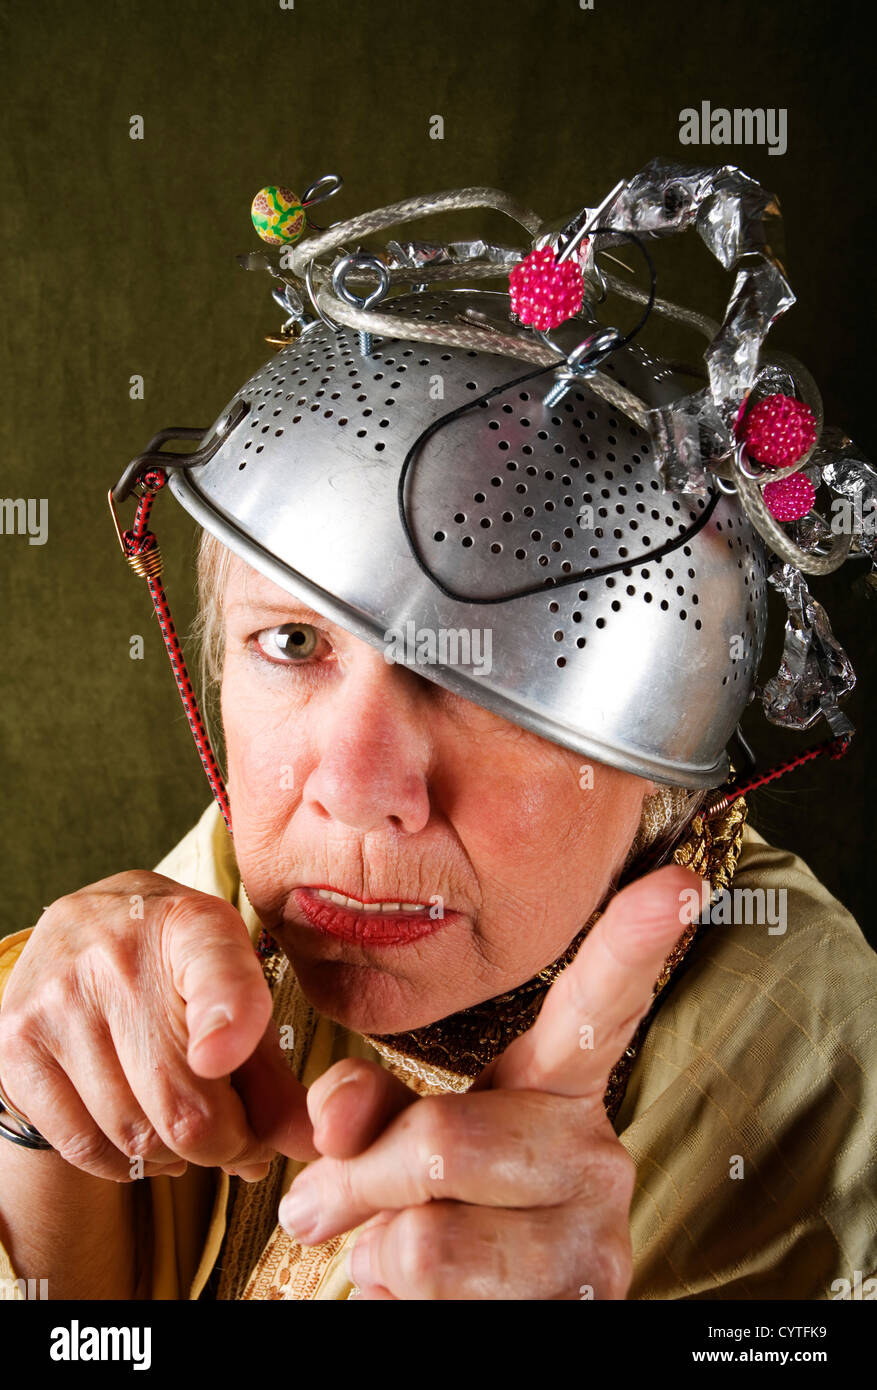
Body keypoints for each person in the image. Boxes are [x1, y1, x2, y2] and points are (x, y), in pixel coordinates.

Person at [0, 163, 874, 1301]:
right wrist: (32, 1115)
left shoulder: (815, 1079)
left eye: (483, 681)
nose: (354, 789)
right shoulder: (238, 889)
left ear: (666, 776)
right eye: (295, 646)